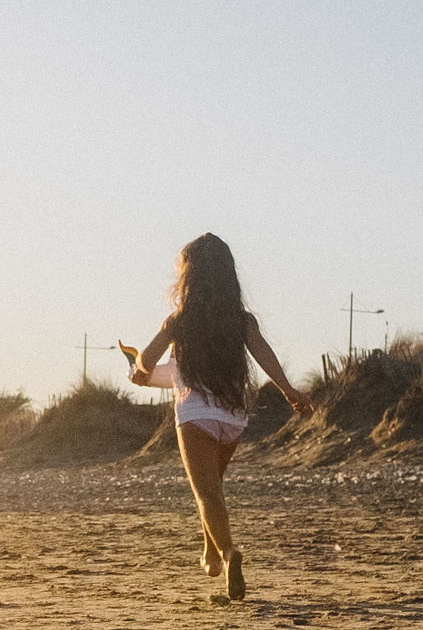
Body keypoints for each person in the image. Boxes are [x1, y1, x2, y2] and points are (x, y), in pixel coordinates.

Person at [128, 233, 316, 601]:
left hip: (195, 416)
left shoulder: (178, 322)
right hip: (234, 418)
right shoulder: (242, 320)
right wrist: (288, 389)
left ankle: (229, 553)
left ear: (189, 278)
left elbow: (146, 361)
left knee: (207, 494)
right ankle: (211, 551)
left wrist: (138, 369)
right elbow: (265, 355)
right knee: (211, 490)